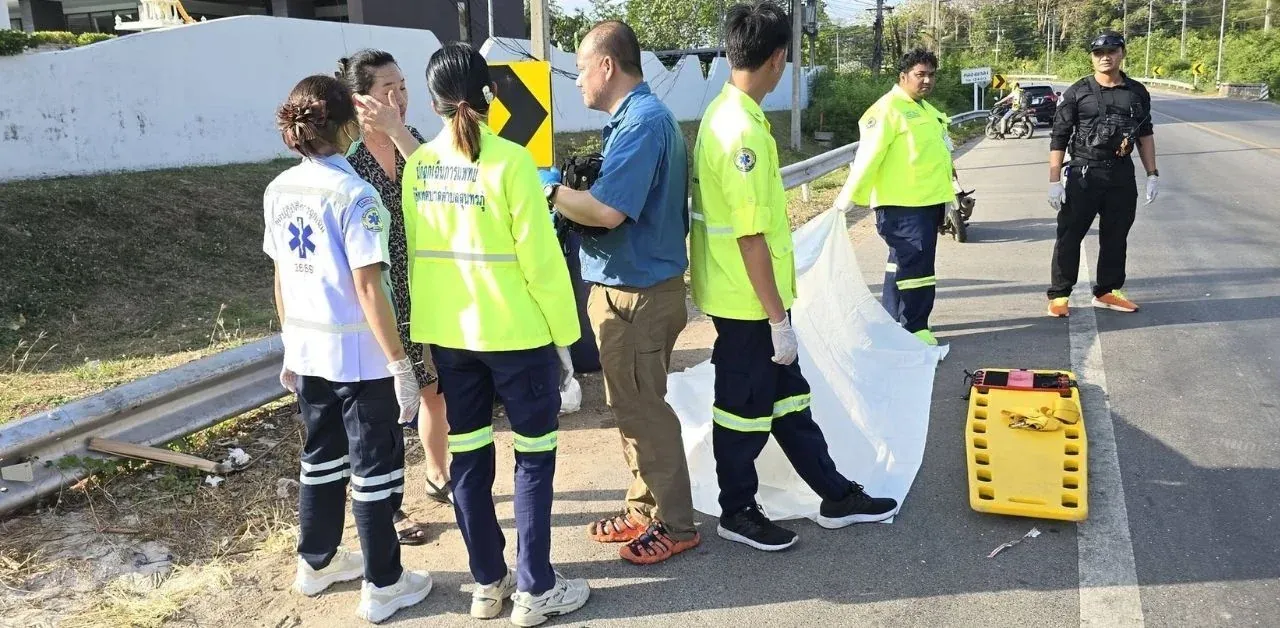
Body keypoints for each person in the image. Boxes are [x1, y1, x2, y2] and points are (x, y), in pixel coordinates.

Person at [690, 0, 898, 553]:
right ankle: (737, 511)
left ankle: (834, 495)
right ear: (779, 57)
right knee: (742, 411)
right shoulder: (742, 134)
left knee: (788, 399)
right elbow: (750, 236)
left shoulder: (727, 113)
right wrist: (777, 318)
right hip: (747, 305)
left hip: (753, 298)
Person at [399, 43, 590, 625]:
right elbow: (542, 263)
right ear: (490, 94)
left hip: (453, 340)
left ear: (432, 103)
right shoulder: (511, 164)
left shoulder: (418, 166)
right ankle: (535, 590)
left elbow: (419, 259)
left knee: (469, 459)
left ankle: (488, 584)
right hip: (517, 335)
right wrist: (566, 341)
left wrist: (424, 340)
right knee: (533, 458)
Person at [265, 74, 432, 623]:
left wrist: (291, 342)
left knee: (320, 459)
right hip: (359, 360)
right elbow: (369, 288)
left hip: (309, 353)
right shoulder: (355, 195)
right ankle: (385, 582)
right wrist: (399, 364)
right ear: (345, 127)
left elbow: (282, 278)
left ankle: (316, 562)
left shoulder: (280, 189)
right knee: (374, 467)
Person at [539, 19, 700, 566]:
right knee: (629, 406)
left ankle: (676, 522)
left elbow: (606, 211)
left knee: (644, 411)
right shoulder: (633, 120)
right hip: (626, 288)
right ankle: (644, 506)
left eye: (581, 68)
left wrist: (552, 191)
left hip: (638, 294)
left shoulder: (642, 125)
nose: (578, 80)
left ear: (607, 66)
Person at [337, 48, 452, 548]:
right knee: (382, 407)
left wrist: (400, 133)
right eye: (388, 89)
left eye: (404, 87)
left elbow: (438, 181)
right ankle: (390, 505)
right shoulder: (344, 161)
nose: (400, 99)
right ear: (360, 101)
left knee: (433, 390)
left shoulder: (417, 145)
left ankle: (438, 472)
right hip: (375, 297)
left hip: (423, 291)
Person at [835, 48, 956, 346]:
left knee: (900, 263)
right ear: (903, 76)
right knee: (918, 270)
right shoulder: (887, 110)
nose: (927, 80)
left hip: (927, 202)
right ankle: (915, 328)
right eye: (920, 74)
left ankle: (891, 320)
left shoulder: (925, 109)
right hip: (903, 206)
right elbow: (868, 156)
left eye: (931, 74)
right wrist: (848, 197)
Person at [1046, 31, 1158, 317]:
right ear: (1092, 57)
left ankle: (1108, 290)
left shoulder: (1136, 92)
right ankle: (1060, 296)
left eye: (1111, 51)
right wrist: (1054, 180)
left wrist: (1152, 173)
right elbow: (1059, 136)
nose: (1105, 57)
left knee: (1116, 234)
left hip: (1121, 174)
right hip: (1084, 173)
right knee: (1070, 234)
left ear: (1122, 53)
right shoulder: (1077, 92)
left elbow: (1145, 134)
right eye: (1099, 53)